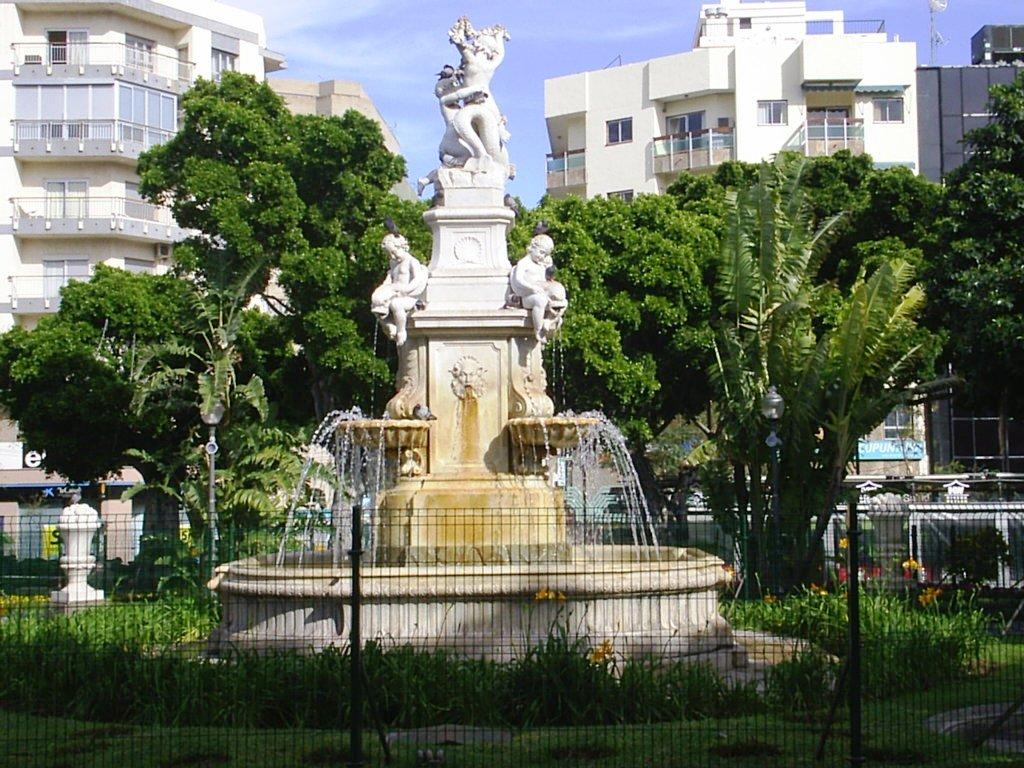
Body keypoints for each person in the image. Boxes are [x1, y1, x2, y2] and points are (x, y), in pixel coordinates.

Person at [371, 232, 429, 347]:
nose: (392, 256)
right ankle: (389, 326)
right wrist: (382, 289)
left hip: (410, 297)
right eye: (389, 254)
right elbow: (389, 278)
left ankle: (401, 331)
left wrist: (405, 291)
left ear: (401, 247)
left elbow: (417, 280)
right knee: (376, 304)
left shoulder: (412, 261)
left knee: (396, 304)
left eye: (393, 252)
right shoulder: (393, 263)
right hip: (394, 292)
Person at [510, 233, 567, 342]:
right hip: (528, 297)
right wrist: (532, 288)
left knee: (563, 302)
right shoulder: (524, 263)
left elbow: (545, 281)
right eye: (541, 252)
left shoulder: (540, 265)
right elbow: (518, 279)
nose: (542, 256)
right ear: (532, 247)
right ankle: (538, 330)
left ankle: (549, 321)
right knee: (540, 300)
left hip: (543, 294)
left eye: (545, 255)